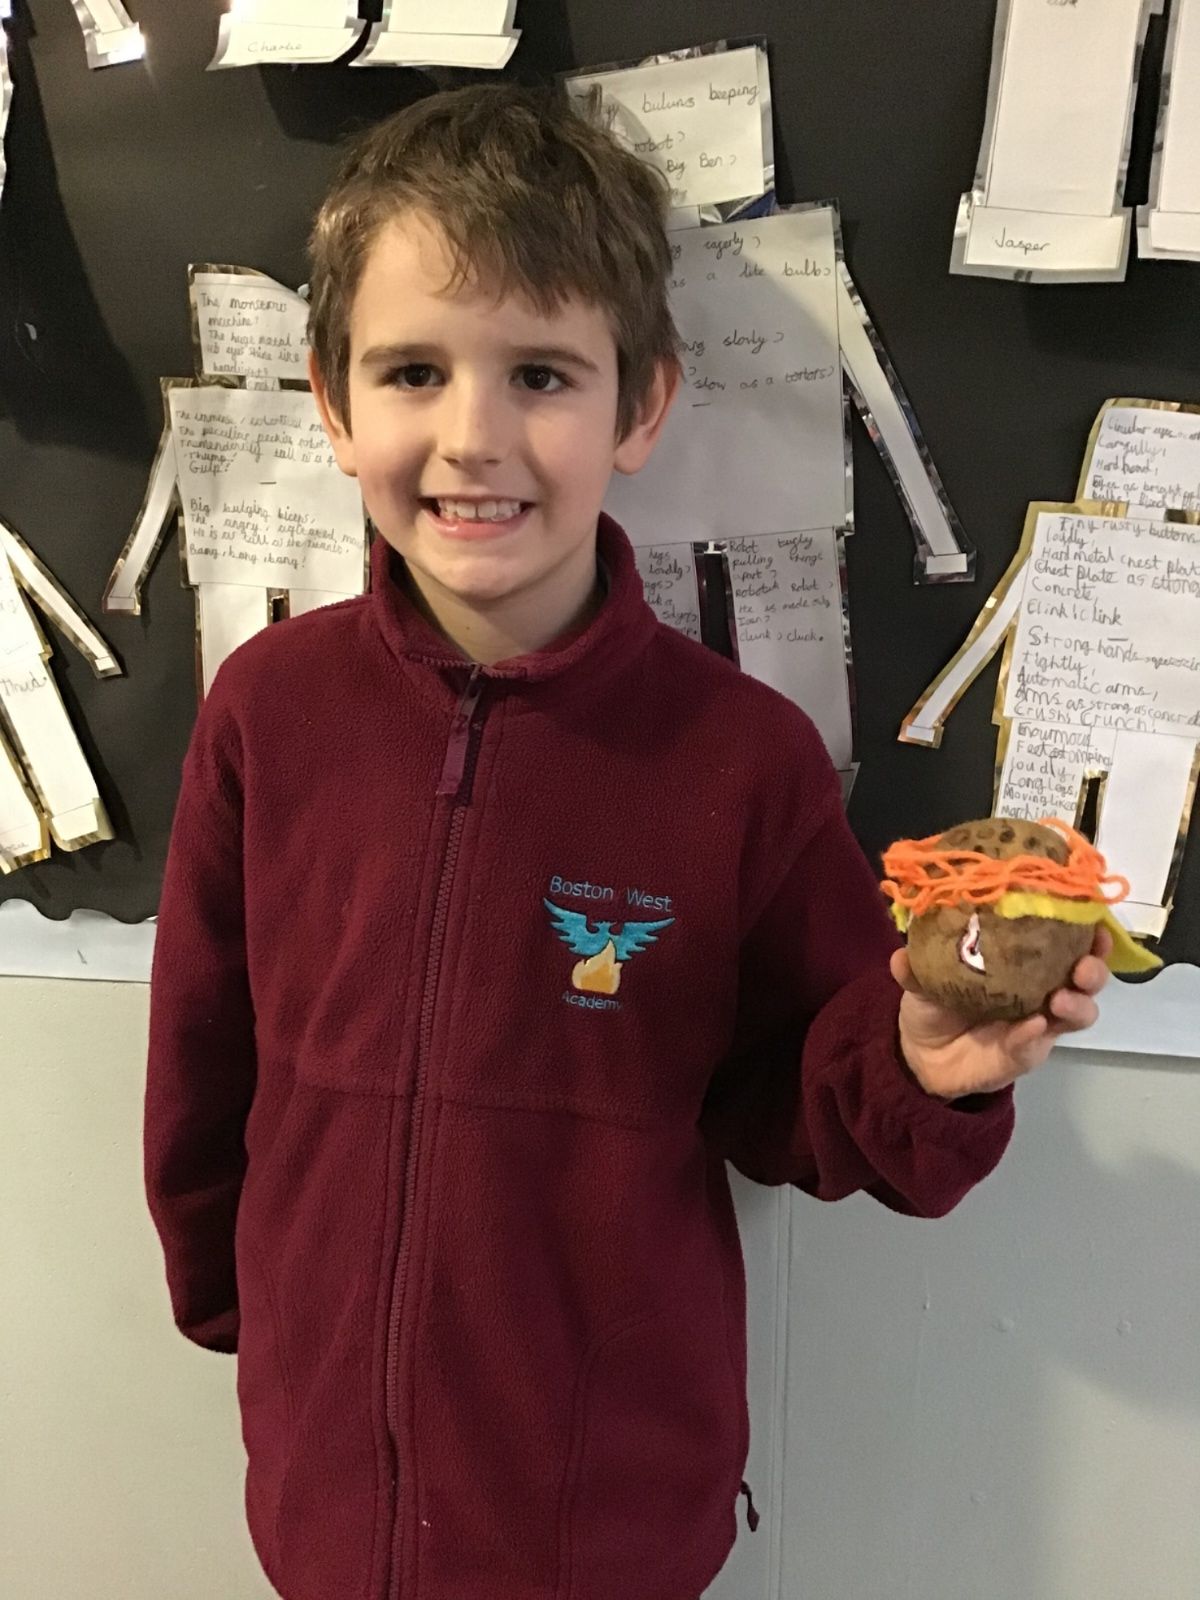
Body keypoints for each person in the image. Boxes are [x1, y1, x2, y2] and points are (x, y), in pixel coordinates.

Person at [143, 83, 1111, 1600]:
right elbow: (203, 1055)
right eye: (412, 371)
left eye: (540, 373)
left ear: (641, 406)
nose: (473, 437)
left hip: (609, 1514)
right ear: (332, 404)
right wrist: (246, 1310)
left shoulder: (738, 759)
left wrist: (924, 1064)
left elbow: (798, 1097)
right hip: (323, 1488)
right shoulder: (270, 710)